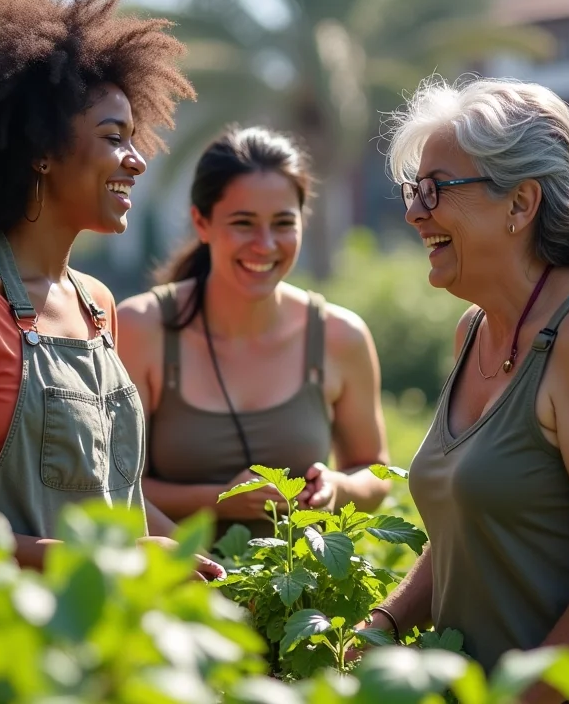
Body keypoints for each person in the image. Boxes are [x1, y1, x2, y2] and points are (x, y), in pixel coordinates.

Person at [0, 0, 223, 580]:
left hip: (103, 635)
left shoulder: (97, 304)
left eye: (133, 139)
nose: (137, 160)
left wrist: (208, 571)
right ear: (40, 151)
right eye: (113, 138)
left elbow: (111, 498)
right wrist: (102, 564)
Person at [364, 76, 569, 703]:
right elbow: (471, 534)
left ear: (521, 203)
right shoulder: (475, 331)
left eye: (437, 189)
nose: (414, 212)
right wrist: (380, 628)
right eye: (413, 189)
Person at [115, 125, 391, 541]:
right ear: (201, 223)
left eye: (283, 223)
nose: (265, 244)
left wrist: (339, 488)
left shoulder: (341, 336)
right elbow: (106, 483)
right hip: (171, 577)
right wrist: (219, 500)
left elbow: (376, 471)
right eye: (243, 223)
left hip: (298, 580)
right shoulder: (141, 328)